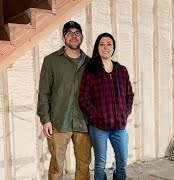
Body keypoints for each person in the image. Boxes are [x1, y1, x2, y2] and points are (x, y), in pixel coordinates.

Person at [37, 21, 92, 179]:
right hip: (59, 121)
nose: (74, 36)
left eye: (77, 33)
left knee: (84, 164)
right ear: (63, 38)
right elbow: (44, 92)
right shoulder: (51, 61)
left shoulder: (90, 63)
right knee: (56, 165)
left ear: (81, 37)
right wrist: (45, 119)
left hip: (84, 122)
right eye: (70, 33)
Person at [79, 32, 134, 180]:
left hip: (119, 125)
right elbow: (83, 97)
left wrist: (125, 112)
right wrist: (95, 114)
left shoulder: (122, 70)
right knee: (100, 162)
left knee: (122, 160)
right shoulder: (91, 71)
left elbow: (130, 94)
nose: (105, 47)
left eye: (109, 44)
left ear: (113, 48)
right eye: (102, 44)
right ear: (97, 48)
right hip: (98, 127)